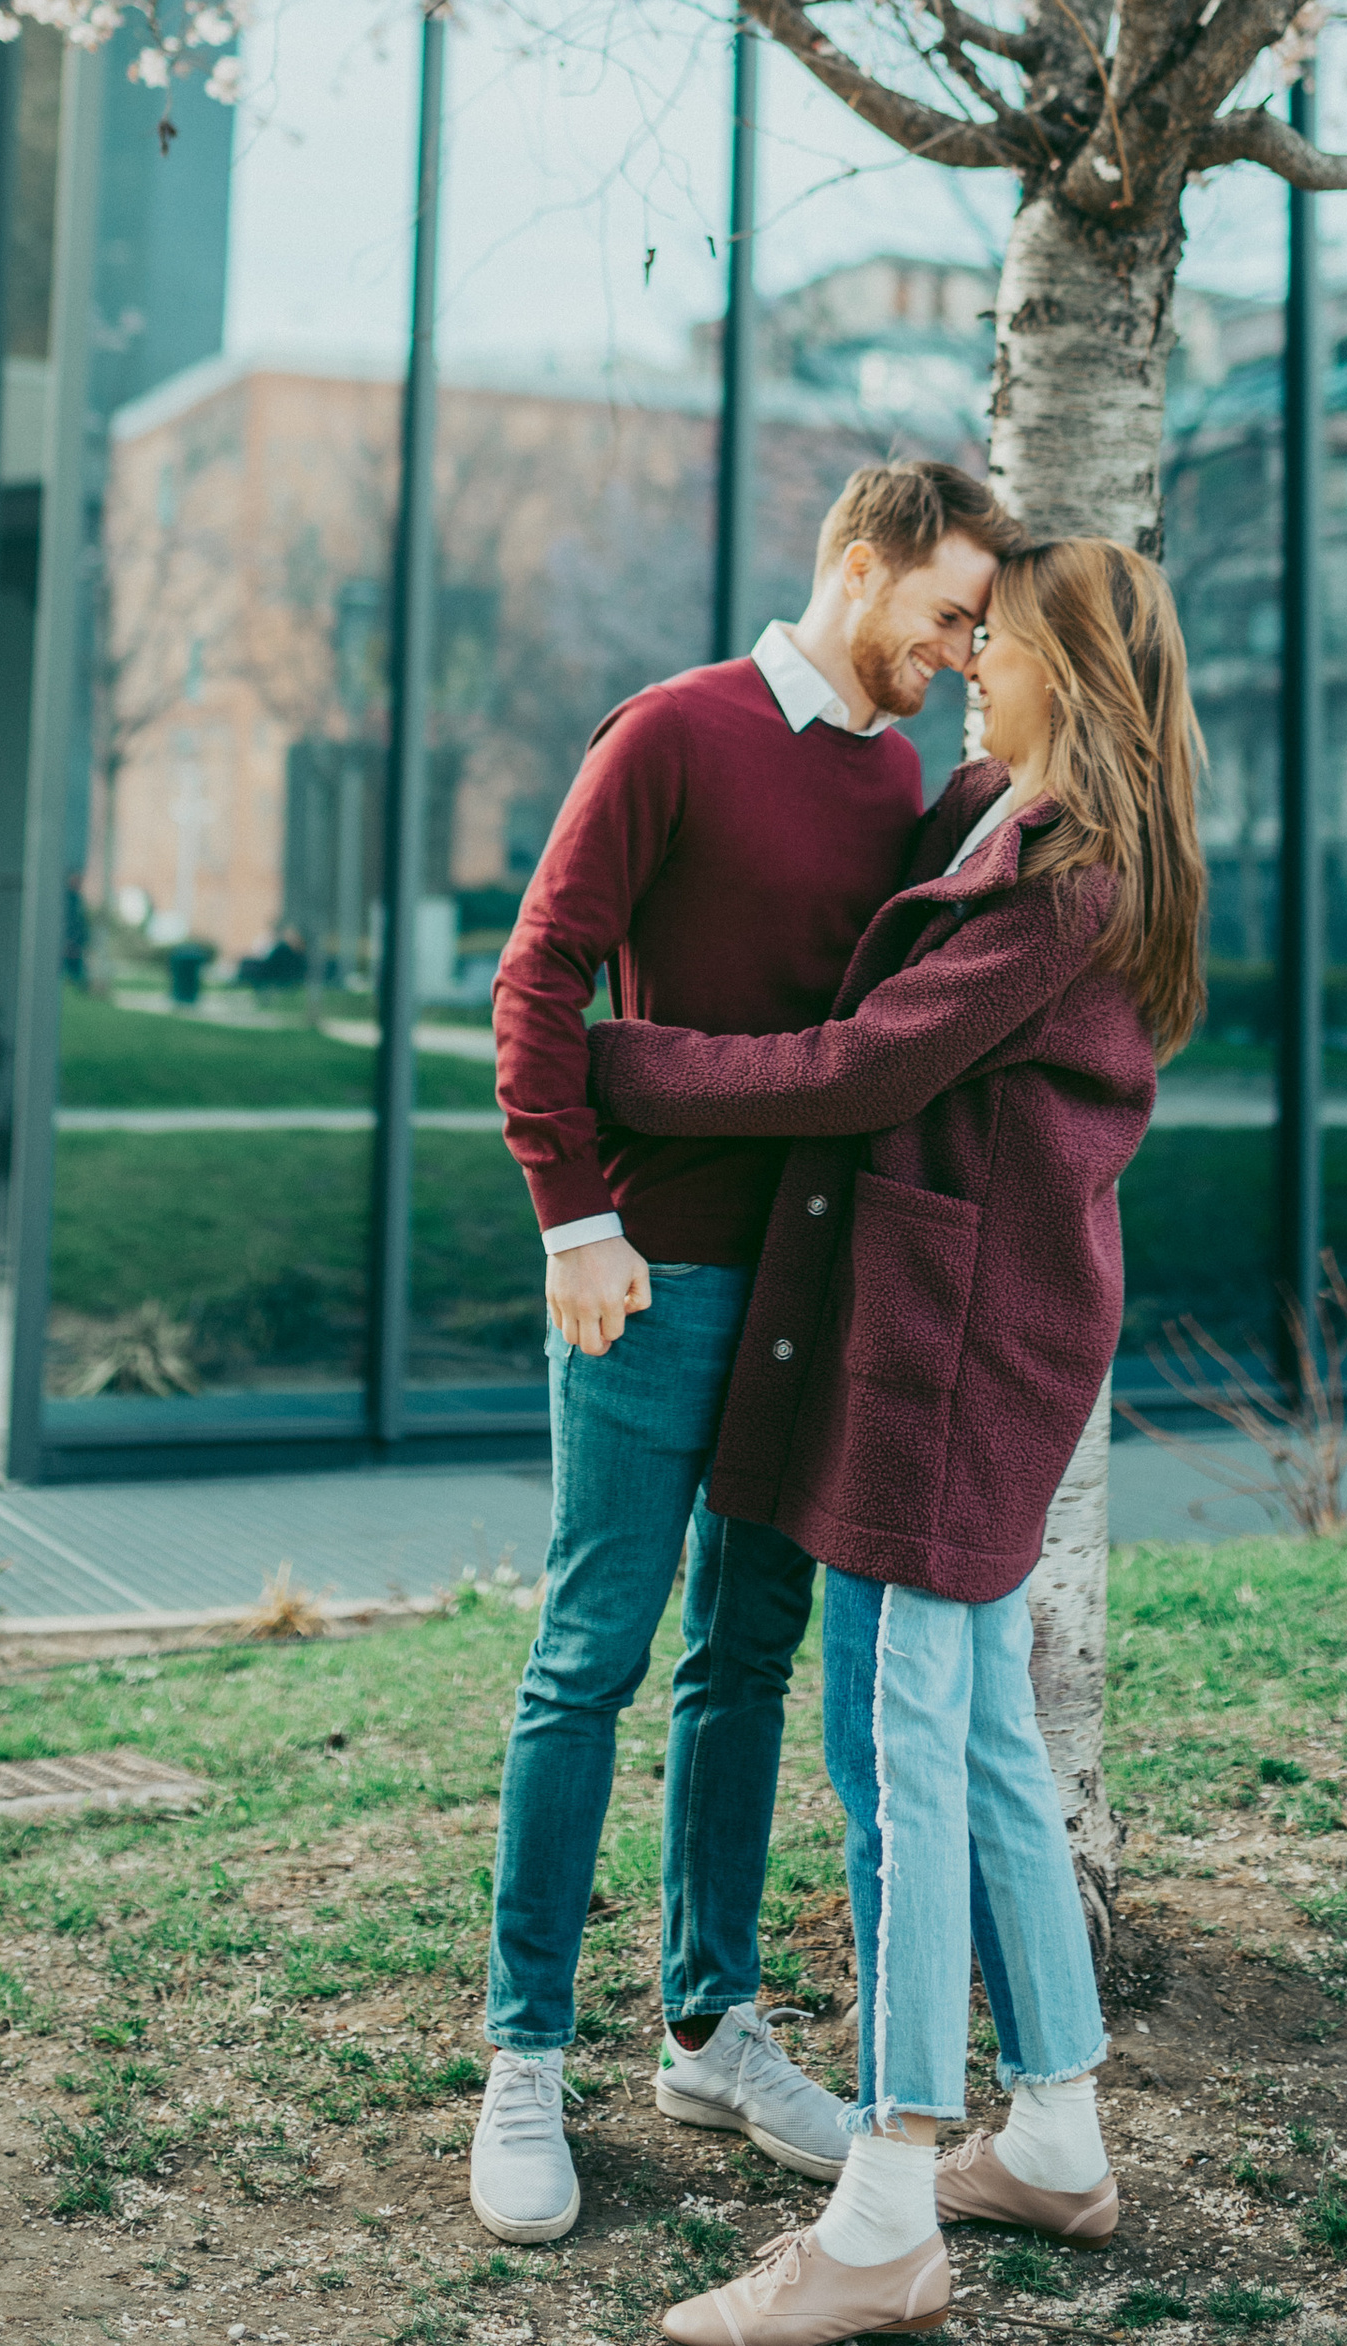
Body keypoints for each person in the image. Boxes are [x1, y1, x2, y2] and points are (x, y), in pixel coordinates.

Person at [589, 538, 1208, 2346]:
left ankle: (885, 2207)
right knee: (993, 1737)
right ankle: (1062, 2131)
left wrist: (632, 1063)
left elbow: (862, 1065)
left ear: (1069, 683)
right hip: (970, 1333)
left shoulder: (1062, 883)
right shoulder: (1036, 829)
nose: (972, 670)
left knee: (908, 1745)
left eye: (997, 645)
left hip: (955, 1358)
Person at [470, 460, 1020, 2248]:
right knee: (588, 1659)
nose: (958, 648)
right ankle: (527, 2052)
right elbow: (542, 971)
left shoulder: (899, 779)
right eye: (946, 609)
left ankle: (708, 2024)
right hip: (649, 1278)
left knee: (749, 1656)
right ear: (860, 563)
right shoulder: (676, 731)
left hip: (818, 1289)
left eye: (982, 628)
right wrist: (574, 1216)